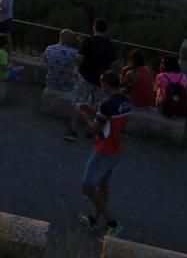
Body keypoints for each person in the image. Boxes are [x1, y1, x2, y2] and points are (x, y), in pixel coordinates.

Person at [78, 70, 132, 238]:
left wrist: (85, 117)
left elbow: (96, 128)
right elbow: (109, 118)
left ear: (106, 85)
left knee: (87, 186)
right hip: (116, 150)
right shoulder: (125, 101)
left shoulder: (107, 104)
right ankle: (94, 219)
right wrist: (93, 111)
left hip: (103, 151)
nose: (101, 86)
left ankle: (112, 222)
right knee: (103, 186)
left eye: (102, 83)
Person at [66, 19, 117, 142]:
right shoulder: (110, 45)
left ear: (94, 28)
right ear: (106, 29)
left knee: (78, 102)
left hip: (86, 77)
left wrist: (78, 69)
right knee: (97, 106)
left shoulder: (88, 41)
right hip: (101, 81)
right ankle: (91, 131)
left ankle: (73, 130)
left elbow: (79, 59)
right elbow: (113, 64)